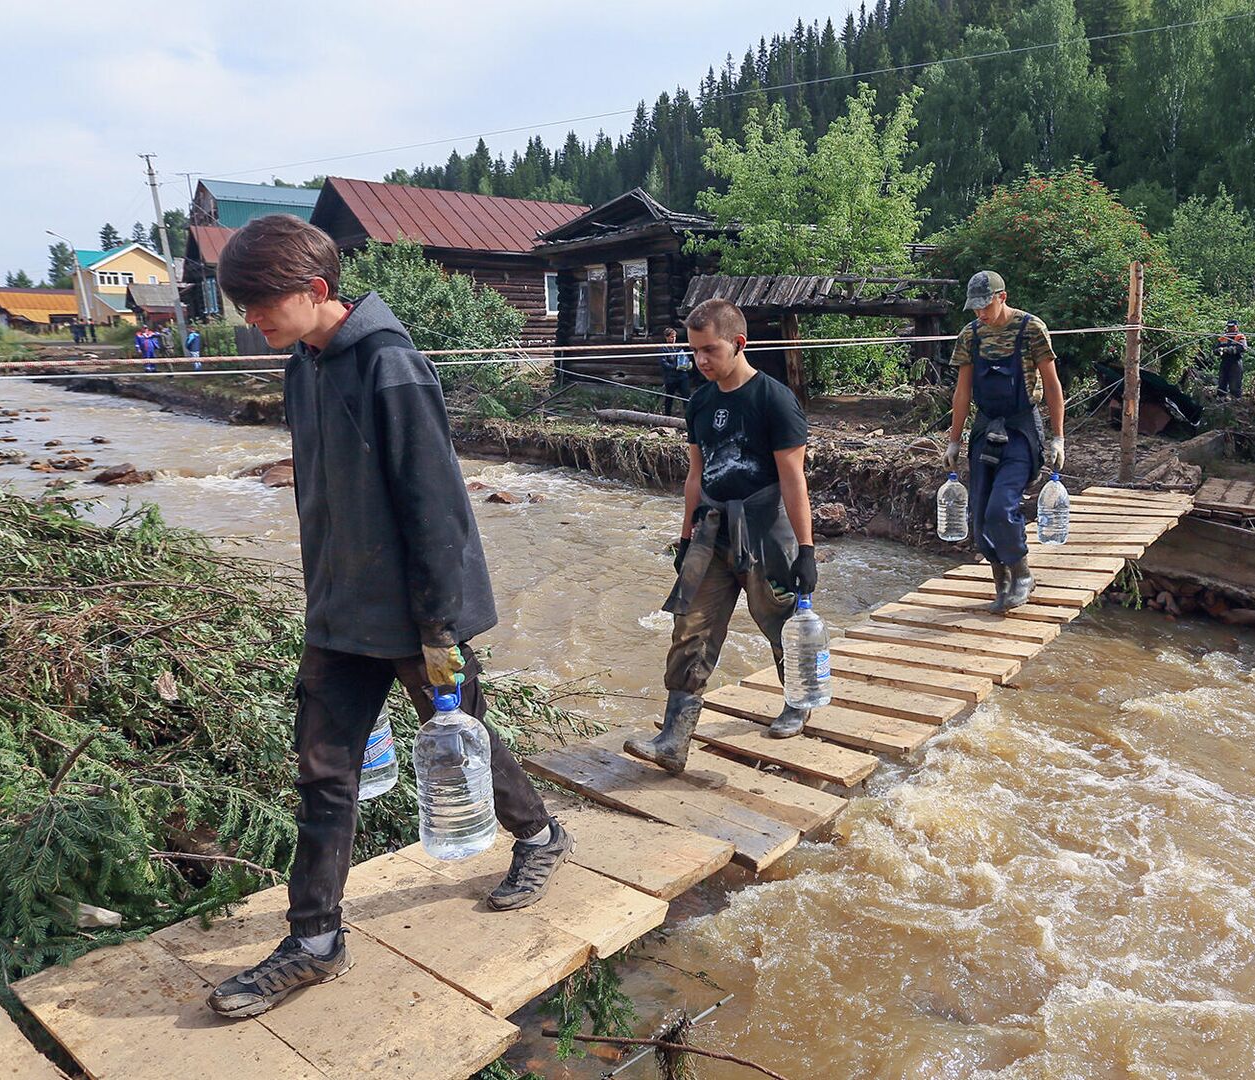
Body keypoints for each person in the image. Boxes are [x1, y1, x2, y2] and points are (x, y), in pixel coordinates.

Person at [205, 214, 569, 1019]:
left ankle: (540, 836)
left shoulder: (391, 365)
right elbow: (321, 500)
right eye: (245, 306)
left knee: (462, 736)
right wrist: (321, 597)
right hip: (341, 610)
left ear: (317, 291)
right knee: (322, 771)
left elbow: (435, 505)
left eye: (264, 304)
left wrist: (440, 629)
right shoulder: (302, 363)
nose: (252, 319)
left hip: (416, 613)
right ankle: (315, 941)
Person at [627, 298, 819, 773]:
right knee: (689, 626)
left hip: (764, 530)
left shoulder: (774, 399)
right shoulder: (700, 401)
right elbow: (696, 474)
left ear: (739, 344)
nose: (701, 361)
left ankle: (798, 701)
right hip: (712, 531)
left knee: (777, 619)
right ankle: (673, 739)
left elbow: (794, 478)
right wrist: (686, 535)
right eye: (694, 352)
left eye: (709, 350)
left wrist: (807, 550)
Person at [942, 271, 1065, 612]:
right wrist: (954, 442)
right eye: (975, 307)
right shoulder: (970, 335)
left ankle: (1022, 573)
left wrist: (1058, 438)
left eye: (985, 305)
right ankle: (1002, 582)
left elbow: (1052, 386)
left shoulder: (1031, 329)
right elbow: (963, 392)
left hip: (1021, 430)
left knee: (1000, 509)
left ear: (1002, 297)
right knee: (979, 518)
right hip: (984, 430)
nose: (980, 313)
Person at [657, 326, 696, 417]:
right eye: (671, 337)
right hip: (671, 377)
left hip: (682, 376)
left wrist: (688, 364)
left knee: (686, 396)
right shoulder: (663, 349)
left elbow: (686, 357)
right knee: (670, 397)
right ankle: (667, 416)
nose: (673, 339)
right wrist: (675, 367)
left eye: (674, 337)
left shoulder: (679, 348)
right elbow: (663, 363)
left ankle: (688, 415)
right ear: (666, 337)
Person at [1215, 319, 1248, 399]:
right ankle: (1220, 398)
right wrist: (1218, 351)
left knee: (1235, 383)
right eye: (1229, 327)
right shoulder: (1223, 337)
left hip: (1235, 362)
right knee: (1222, 381)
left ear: (1236, 327)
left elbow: (1243, 348)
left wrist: (1228, 350)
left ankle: (1236, 400)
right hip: (1225, 361)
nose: (1230, 328)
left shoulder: (1240, 337)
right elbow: (1215, 349)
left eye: (1232, 327)